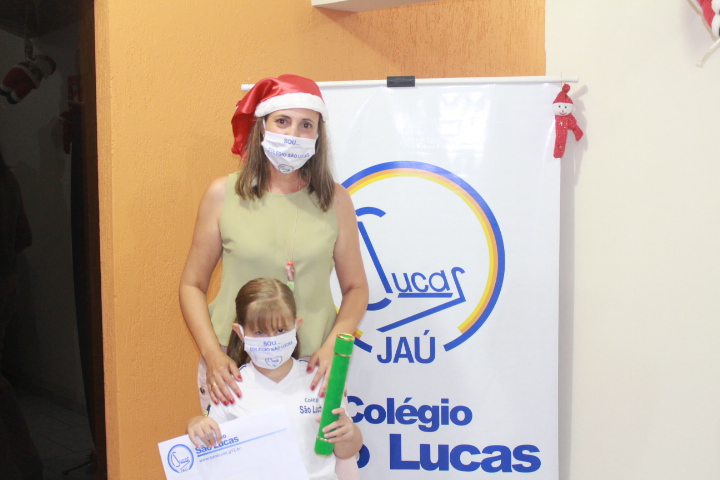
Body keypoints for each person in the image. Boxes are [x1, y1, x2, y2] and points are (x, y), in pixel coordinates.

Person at [179, 74, 368, 410]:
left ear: (318, 135)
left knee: (321, 447)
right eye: (283, 121)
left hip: (314, 367)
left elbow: (356, 289)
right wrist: (211, 355)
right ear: (262, 127)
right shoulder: (222, 194)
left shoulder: (335, 200)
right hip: (233, 365)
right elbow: (192, 285)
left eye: (306, 125)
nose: (293, 134)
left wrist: (334, 348)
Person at [186, 278, 362, 479]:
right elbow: (211, 452)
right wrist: (197, 425)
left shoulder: (319, 380)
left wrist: (350, 434)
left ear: (296, 325)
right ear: (240, 333)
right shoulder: (230, 388)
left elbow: (345, 452)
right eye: (260, 332)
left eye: (280, 330)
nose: (271, 340)